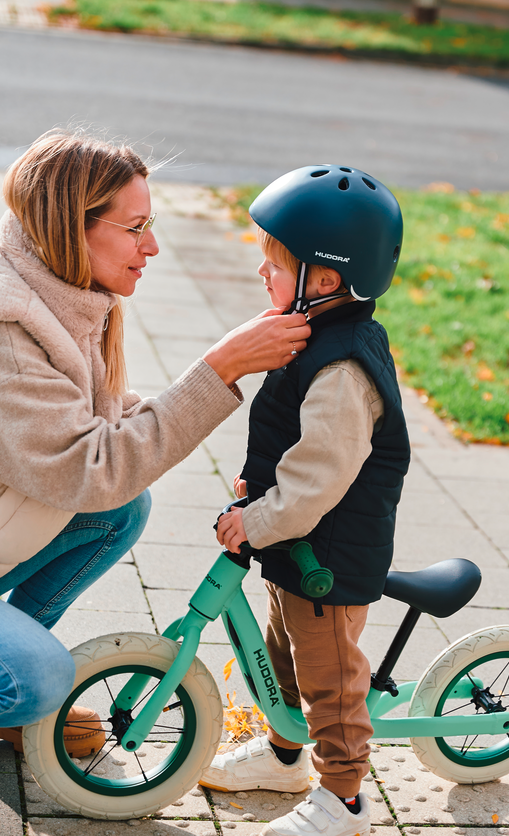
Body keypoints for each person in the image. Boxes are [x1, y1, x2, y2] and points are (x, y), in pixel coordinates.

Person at [0, 130, 310, 754]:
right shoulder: (1, 334)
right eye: (135, 227)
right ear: (71, 226)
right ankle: (3, 690)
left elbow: (92, 424)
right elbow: (92, 467)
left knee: (118, 512)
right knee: (42, 679)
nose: (152, 246)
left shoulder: (52, 289)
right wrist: (220, 369)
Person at [200, 165, 410, 836]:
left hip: (330, 555)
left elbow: (318, 478)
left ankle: (344, 799)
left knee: (332, 682)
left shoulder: (344, 364)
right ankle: (286, 756)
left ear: (324, 279)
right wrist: (254, 494)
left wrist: (258, 518)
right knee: (282, 649)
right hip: (299, 543)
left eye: (275, 263)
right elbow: (291, 440)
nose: (263, 274)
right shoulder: (315, 335)